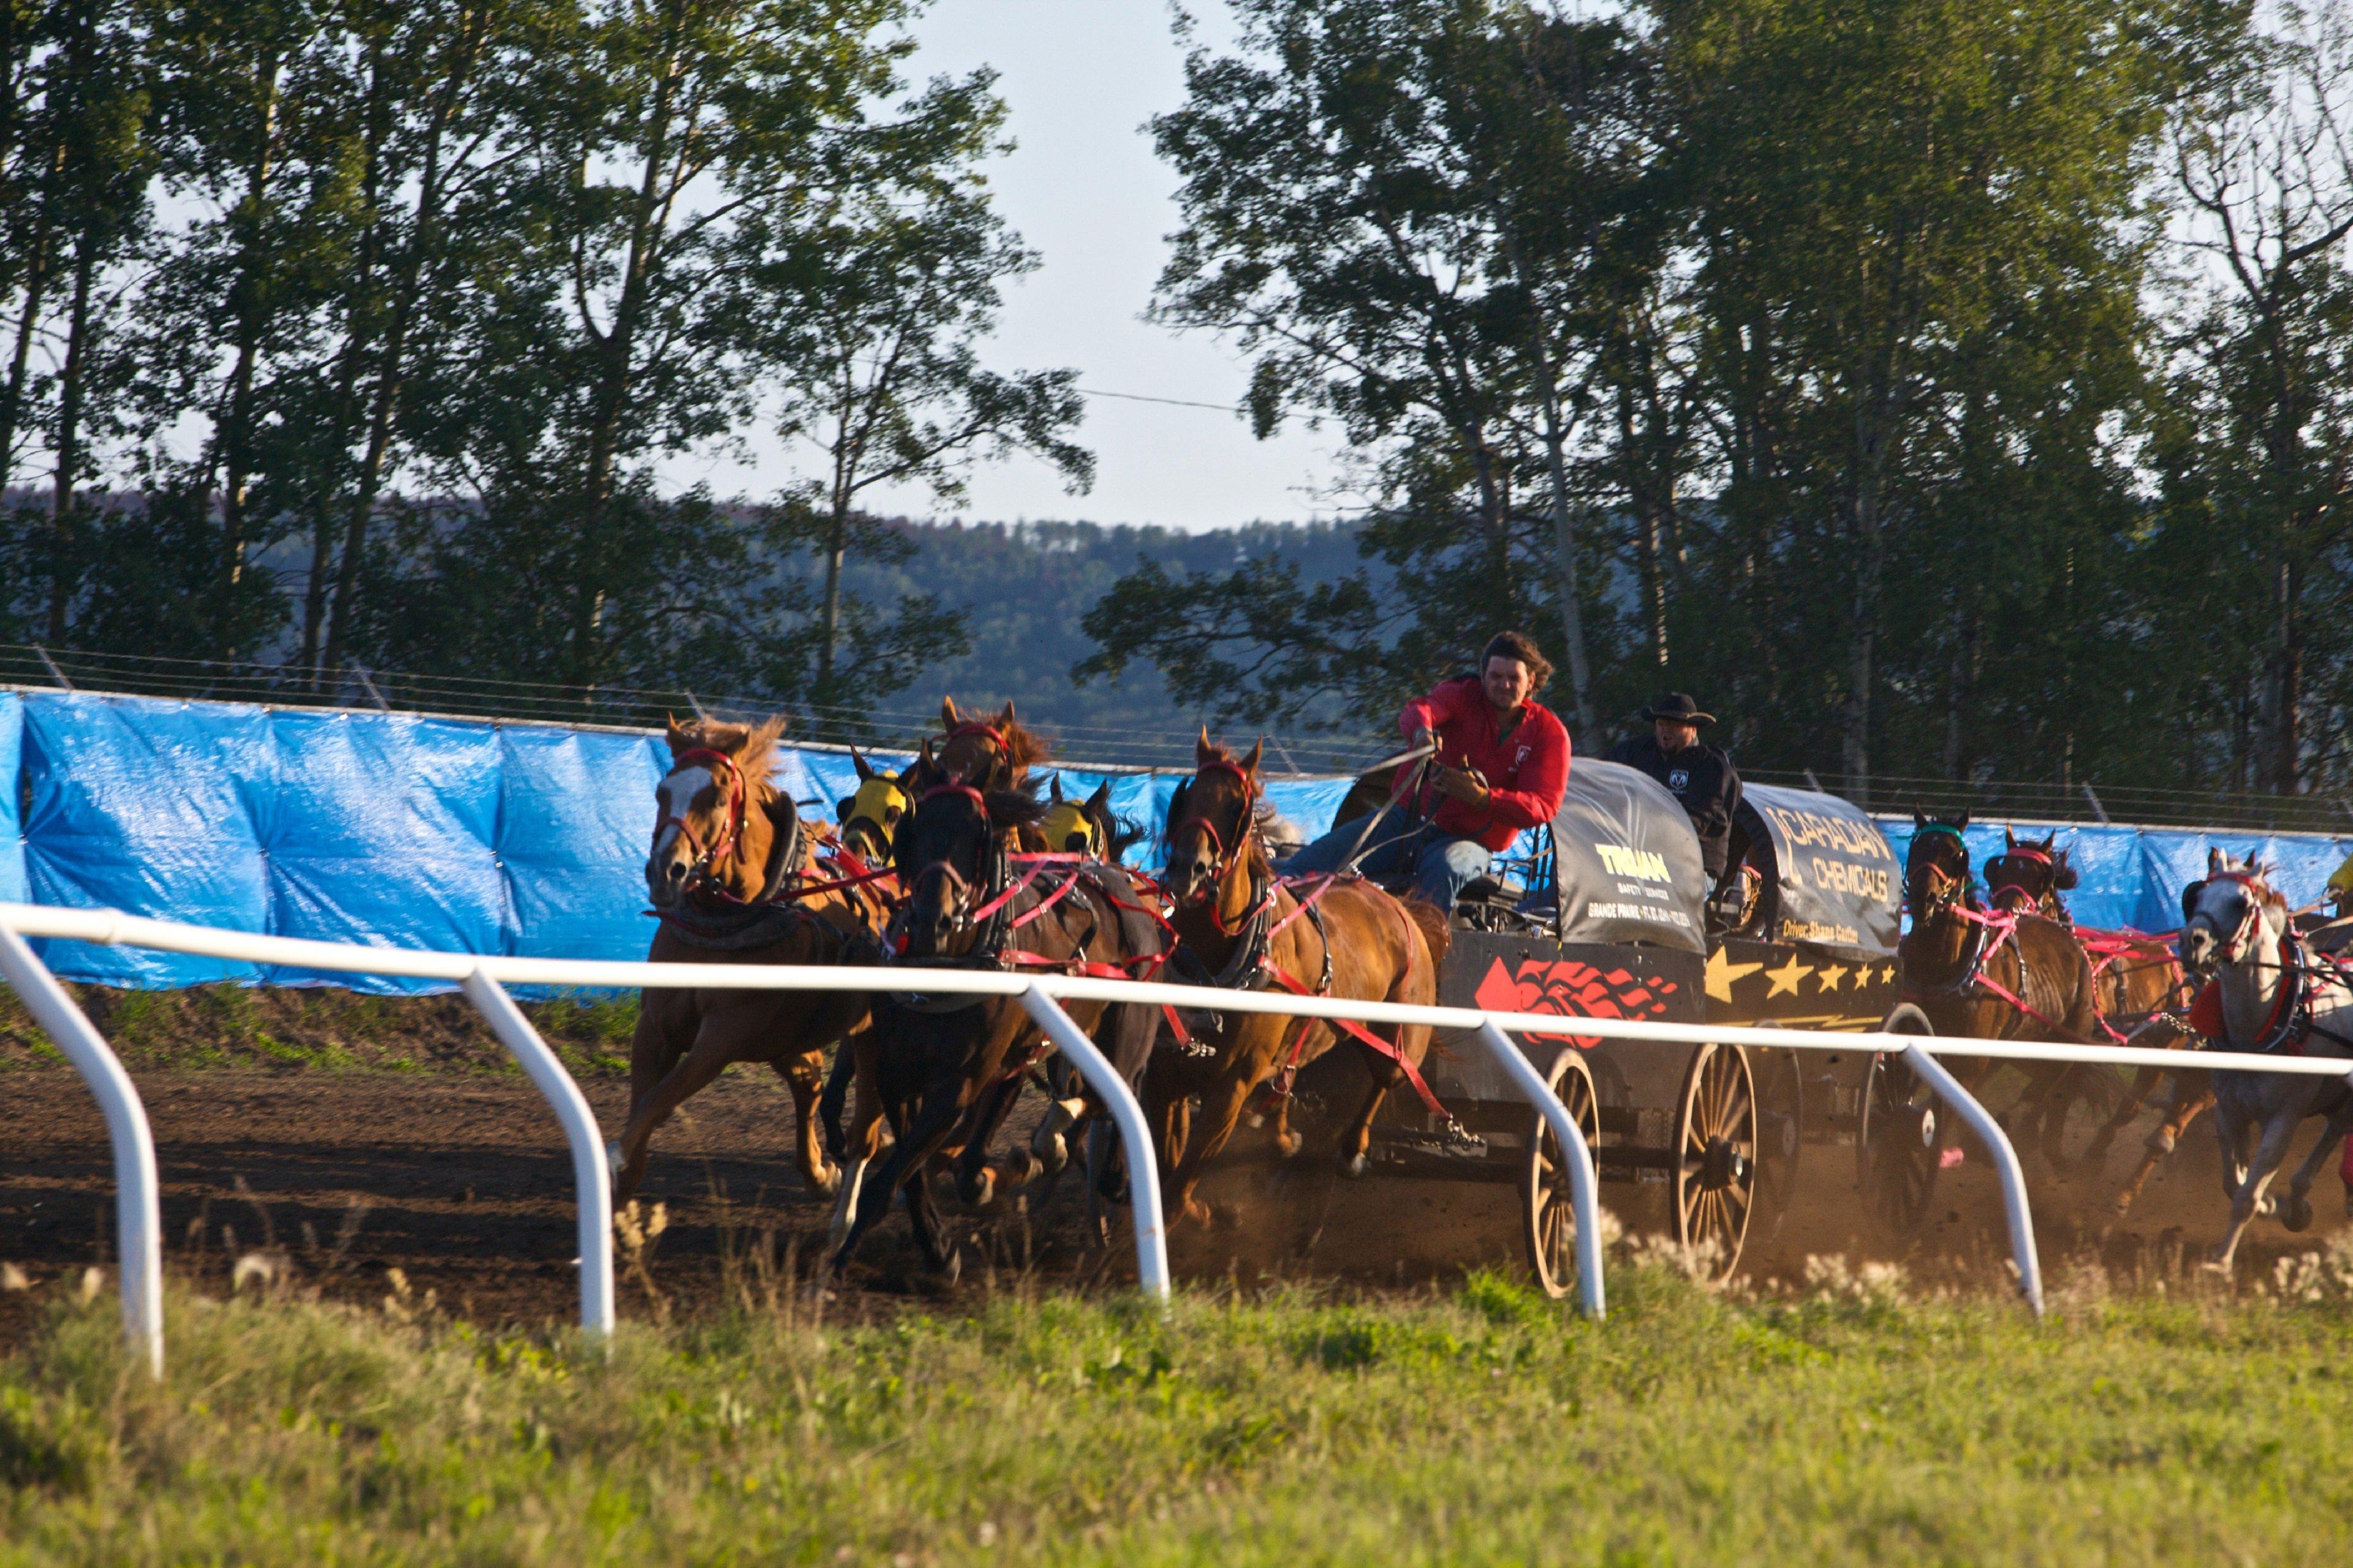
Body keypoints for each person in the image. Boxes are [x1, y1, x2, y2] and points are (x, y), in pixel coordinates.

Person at [1282, 631, 1571, 909]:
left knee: (1445, 869)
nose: (1504, 685)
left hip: (1471, 842)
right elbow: (1421, 709)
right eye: (1496, 676)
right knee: (1308, 863)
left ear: (1531, 681)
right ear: (1482, 677)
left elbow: (1542, 806)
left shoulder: (1548, 732)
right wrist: (1422, 734)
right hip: (1405, 822)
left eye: (1513, 678)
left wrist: (1482, 798)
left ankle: (1428, 954)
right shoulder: (1461, 695)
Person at [1607, 693, 1741, 885]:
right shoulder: (1636, 752)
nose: (1666, 730)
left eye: (1676, 725)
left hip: (1693, 870)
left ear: (1693, 730)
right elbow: (1602, 776)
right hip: (1640, 865)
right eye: (1662, 723)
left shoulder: (1712, 768)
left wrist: (1646, 829)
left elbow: (1697, 821)